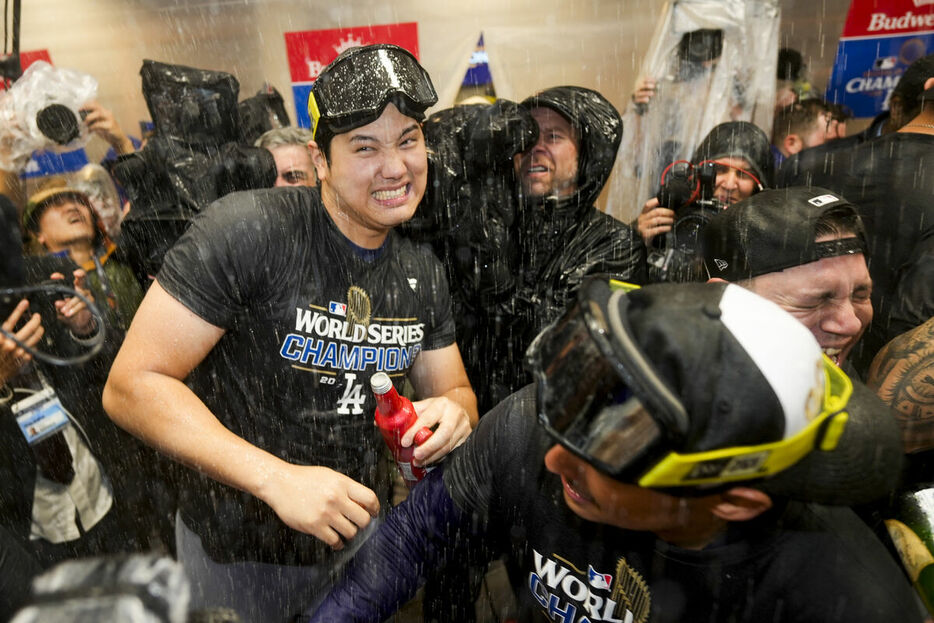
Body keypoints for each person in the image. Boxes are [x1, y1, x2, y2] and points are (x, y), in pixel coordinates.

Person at [102, 44, 478, 622]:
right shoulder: (250, 230)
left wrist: (452, 415)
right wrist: (275, 480)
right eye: (365, 147)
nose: (396, 167)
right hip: (236, 552)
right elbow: (131, 385)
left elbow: (455, 393)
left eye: (408, 140)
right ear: (320, 159)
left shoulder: (421, 271)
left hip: (358, 545)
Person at [305, 279, 919, 622]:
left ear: (733, 499)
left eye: (614, 451)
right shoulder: (535, 427)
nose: (555, 461)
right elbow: (412, 542)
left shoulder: (843, 601)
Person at [780, 53, 934, 375]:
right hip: (893, 394)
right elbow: (915, 320)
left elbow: (767, 269)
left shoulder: (810, 166)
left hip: (794, 370)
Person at [702, 187, 871, 373]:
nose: (851, 324)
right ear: (724, 301)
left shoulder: (842, 384)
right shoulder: (676, 396)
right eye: (815, 301)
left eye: (860, 295)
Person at [637, 120, 772, 283]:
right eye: (720, 170)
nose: (729, 185)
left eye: (743, 174)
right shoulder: (672, 214)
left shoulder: (767, 236)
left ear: (760, 186)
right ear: (698, 173)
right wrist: (637, 242)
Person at [22, 179, 144, 331]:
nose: (73, 207)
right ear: (38, 233)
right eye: (58, 203)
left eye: (79, 202)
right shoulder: (35, 289)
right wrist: (84, 329)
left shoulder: (128, 259)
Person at [770, 98, 832, 169]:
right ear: (792, 143)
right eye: (826, 142)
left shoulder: (767, 164)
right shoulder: (780, 177)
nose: (832, 151)